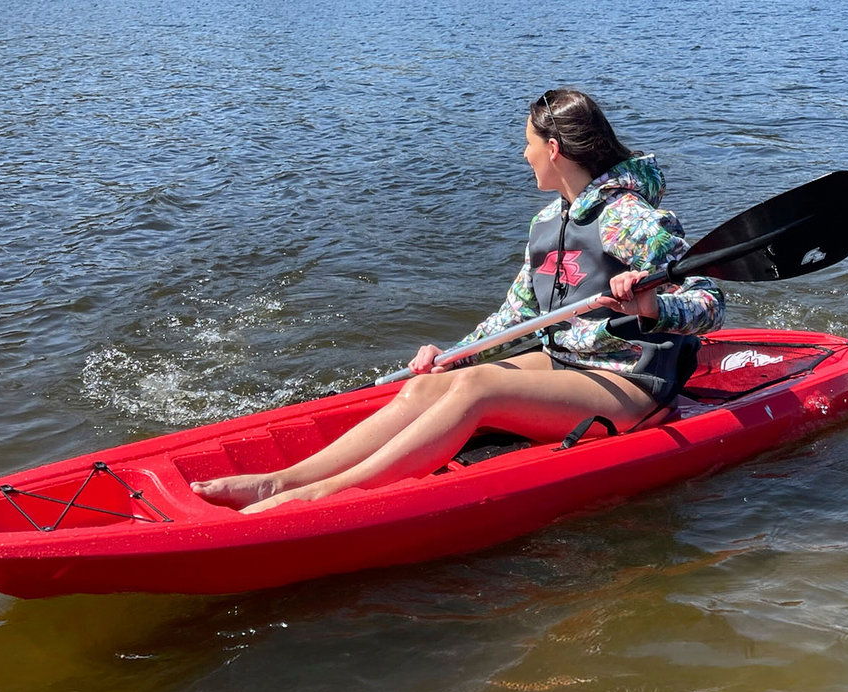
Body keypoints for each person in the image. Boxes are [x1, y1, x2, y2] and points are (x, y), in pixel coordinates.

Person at [191, 88, 725, 514]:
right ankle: (281, 481)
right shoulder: (548, 221)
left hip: (632, 377)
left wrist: (653, 306)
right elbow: (516, 316)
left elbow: (710, 301)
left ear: (554, 149)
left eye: (528, 143)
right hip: (566, 361)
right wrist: (451, 354)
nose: (524, 154)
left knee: (479, 387)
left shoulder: (627, 218)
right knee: (438, 382)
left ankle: (323, 497)